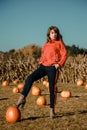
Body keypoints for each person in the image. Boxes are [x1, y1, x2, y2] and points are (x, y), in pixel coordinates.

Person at [14, 26, 67, 118]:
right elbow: (44, 55)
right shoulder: (46, 44)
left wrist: (59, 64)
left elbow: (64, 54)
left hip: (52, 68)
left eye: (55, 33)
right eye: (52, 33)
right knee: (30, 78)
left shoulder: (60, 43)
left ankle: (52, 110)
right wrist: (40, 61)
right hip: (43, 67)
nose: (54, 34)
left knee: (52, 89)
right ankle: (22, 98)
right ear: (49, 35)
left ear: (57, 34)